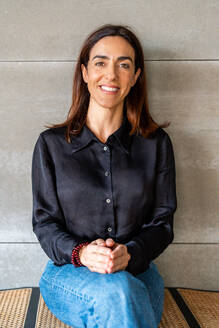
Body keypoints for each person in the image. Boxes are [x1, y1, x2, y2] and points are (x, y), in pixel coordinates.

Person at [31, 24, 177, 328]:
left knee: (122, 291)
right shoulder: (51, 145)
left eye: (124, 64)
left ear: (135, 77)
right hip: (69, 275)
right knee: (119, 294)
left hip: (138, 274)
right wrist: (82, 253)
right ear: (85, 72)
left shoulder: (157, 144)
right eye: (100, 63)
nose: (111, 74)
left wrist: (130, 254)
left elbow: (162, 225)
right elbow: (44, 225)